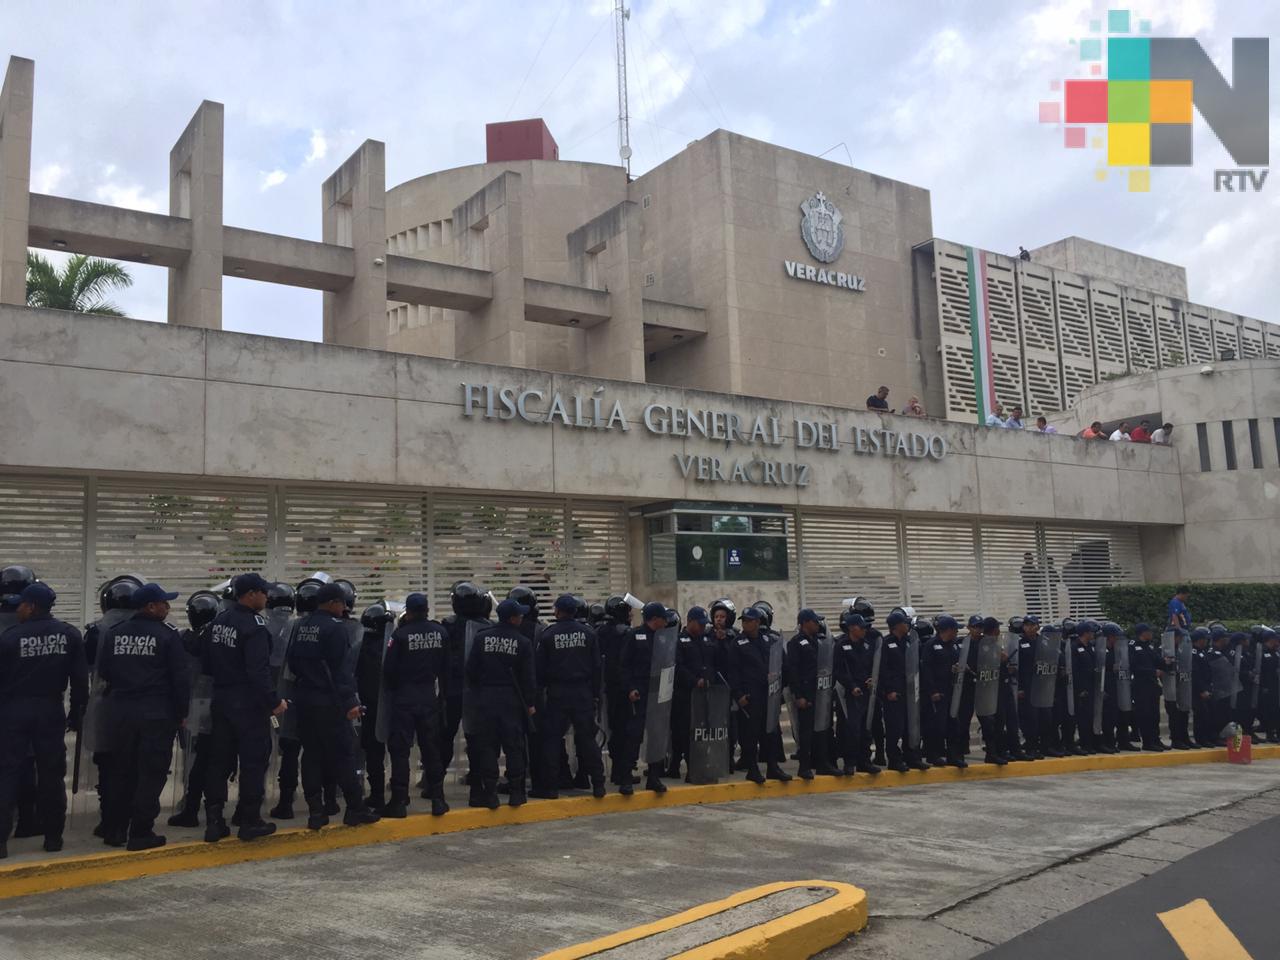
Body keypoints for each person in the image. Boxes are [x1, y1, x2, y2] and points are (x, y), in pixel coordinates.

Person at [95, 582, 189, 850]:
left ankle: (114, 830)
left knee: (119, 772)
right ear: (150, 606)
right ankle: (140, 832)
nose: (168, 608)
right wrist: (182, 713)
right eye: (164, 603)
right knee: (151, 772)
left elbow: (105, 672)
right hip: (156, 714)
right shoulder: (168, 635)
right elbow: (180, 680)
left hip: (120, 712)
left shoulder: (115, 633)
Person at [0, 583, 88, 859]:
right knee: (52, 775)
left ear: (32, 606)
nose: (18, 609)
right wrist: (77, 713)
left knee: (8, 774)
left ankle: (1, 841)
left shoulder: (10, 637)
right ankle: (53, 837)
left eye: (22, 605)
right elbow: (79, 681)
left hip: (14, 711)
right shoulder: (69, 634)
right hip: (51, 710)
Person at [201, 572, 290, 843]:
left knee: (218, 761)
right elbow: (258, 672)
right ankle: (249, 819)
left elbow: (207, 662)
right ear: (251, 594)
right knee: (253, 762)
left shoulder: (219, 622)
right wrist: (274, 702)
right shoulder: (255, 626)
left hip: (222, 699)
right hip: (248, 705)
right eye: (264, 592)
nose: (267, 597)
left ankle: (215, 822)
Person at [286, 582, 381, 830]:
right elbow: (342, 670)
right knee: (343, 754)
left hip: (305, 699)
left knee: (311, 755)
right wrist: (350, 702)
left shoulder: (301, 625)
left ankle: (316, 812)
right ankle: (355, 808)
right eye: (341, 604)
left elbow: (293, 663)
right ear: (332, 603)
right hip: (330, 701)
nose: (344, 609)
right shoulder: (336, 629)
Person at [532, 594, 605, 800]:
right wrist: (595, 695)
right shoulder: (589, 633)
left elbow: (540, 670)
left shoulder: (549, 635)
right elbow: (596, 667)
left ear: (557, 611)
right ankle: (598, 784)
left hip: (558, 693)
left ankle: (551, 787)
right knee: (587, 739)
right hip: (582, 692)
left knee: (553, 740)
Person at [382, 593, 448, 818]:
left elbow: (388, 671)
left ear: (408, 612)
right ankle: (438, 798)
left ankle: (399, 802)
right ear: (427, 609)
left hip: (404, 698)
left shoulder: (400, 635)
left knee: (400, 750)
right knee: (431, 749)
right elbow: (446, 665)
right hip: (429, 696)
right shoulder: (440, 632)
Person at [618, 602, 675, 795]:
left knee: (657, 736)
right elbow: (624, 665)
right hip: (640, 692)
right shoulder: (634, 635)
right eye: (662, 618)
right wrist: (630, 688)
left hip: (658, 693)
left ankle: (654, 777)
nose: (666, 621)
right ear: (655, 619)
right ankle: (626, 778)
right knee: (633, 735)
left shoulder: (664, 638)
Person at [731, 607, 791, 783]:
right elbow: (733, 672)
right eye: (744, 620)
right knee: (750, 734)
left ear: (757, 622)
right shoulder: (738, 643)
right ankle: (752, 768)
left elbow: (778, 663)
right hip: (750, 695)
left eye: (749, 620)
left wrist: (779, 684)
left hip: (768, 694)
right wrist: (738, 695)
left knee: (770, 732)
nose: (745, 624)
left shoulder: (767, 640)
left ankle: (772, 767)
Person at [878, 610, 928, 773]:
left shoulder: (911, 642)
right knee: (894, 728)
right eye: (904, 623)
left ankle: (912, 757)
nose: (907, 625)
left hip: (910, 692)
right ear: (896, 626)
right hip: (894, 693)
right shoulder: (886, 643)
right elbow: (882, 670)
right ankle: (894, 759)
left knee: (911, 726)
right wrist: (888, 691)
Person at [668, 606, 713, 781]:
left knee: (697, 733)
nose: (702, 628)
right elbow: (678, 667)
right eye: (700, 624)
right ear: (690, 622)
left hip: (702, 695)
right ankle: (678, 765)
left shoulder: (705, 640)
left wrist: (707, 678)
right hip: (683, 695)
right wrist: (694, 681)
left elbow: (710, 664)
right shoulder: (680, 641)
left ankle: (694, 766)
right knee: (681, 732)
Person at [597, 595, 636, 789]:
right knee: (626, 731)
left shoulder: (600, 632)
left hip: (607, 688)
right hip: (625, 689)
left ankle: (616, 771)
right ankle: (622, 772)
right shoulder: (627, 633)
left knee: (614, 730)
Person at [920, 616, 958, 766]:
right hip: (937, 692)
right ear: (948, 630)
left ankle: (953, 755)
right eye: (955, 629)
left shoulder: (954, 645)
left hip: (951, 690)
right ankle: (933, 754)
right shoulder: (931, 645)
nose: (956, 632)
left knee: (952, 724)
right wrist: (932, 691)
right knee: (936, 726)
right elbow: (926, 670)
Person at [1128, 624, 1167, 751]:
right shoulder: (1133, 646)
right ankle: (1148, 742)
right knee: (1145, 715)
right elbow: (1134, 667)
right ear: (1143, 633)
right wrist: (1152, 672)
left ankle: (1156, 739)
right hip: (1140, 686)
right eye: (1149, 631)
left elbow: (1158, 661)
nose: (1151, 634)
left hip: (1152, 685)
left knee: (1154, 715)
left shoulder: (1149, 647)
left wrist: (1166, 663)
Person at [1071, 621, 1100, 753]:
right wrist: (1080, 689)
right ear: (1085, 633)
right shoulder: (1075, 647)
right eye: (1091, 632)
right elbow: (1075, 670)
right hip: (1081, 688)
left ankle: (1092, 743)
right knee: (1083, 718)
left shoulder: (1090, 647)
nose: (1093, 634)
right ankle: (1085, 744)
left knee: (1090, 717)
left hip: (1092, 686)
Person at [1189, 627, 1214, 748]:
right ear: (1199, 640)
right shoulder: (1194, 652)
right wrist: (1201, 690)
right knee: (1200, 715)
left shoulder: (1201, 652)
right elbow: (1195, 674)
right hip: (1198, 690)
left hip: (1206, 687)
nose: (1207, 642)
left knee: (1206, 715)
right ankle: (1200, 738)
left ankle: (1206, 737)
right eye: (1205, 639)